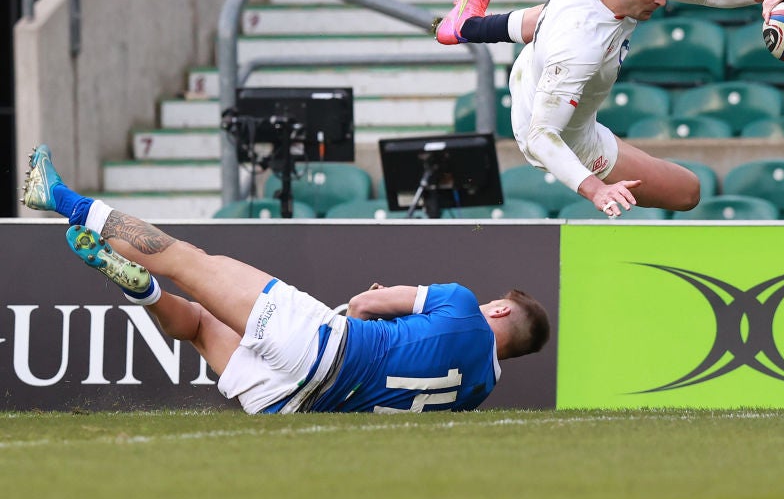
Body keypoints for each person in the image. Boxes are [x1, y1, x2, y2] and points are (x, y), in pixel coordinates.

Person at [21, 144, 550, 414]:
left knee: (188, 260)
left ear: (501, 311)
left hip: (322, 346)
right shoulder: (481, 388)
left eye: (492, 303)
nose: (485, 305)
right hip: (297, 406)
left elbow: (365, 309)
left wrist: (368, 301)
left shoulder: (460, 304)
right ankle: (140, 290)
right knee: (203, 329)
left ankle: (59, 198)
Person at [434, 0, 784, 217]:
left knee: (551, 17)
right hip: (566, 134)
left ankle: (465, 26)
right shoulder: (579, 49)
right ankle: (467, 27)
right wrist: (596, 189)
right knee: (688, 191)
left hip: (538, 63)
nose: (663, 0)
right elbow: (540, 137)